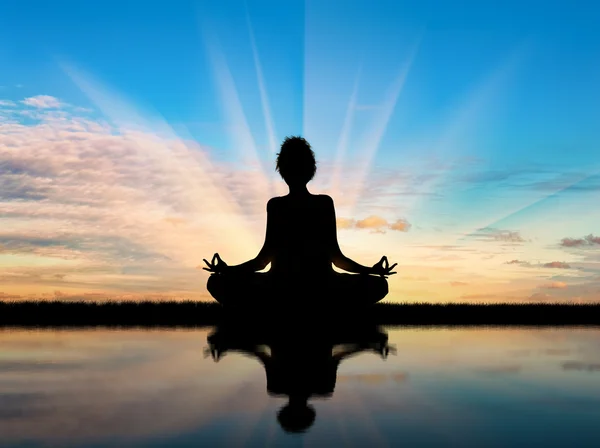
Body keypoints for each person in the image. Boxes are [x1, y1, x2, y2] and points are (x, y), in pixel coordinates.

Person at [203, 136, 397, 308]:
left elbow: (261, 262)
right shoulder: (318, 204)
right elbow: (337, 259)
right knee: (378, 285)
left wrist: (228, 271)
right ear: (310, 170)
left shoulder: (282, 205)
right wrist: (370, 271)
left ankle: (272, 309)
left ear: (283, 170)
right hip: (312, 287)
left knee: (217, 282)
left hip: (287, 287)